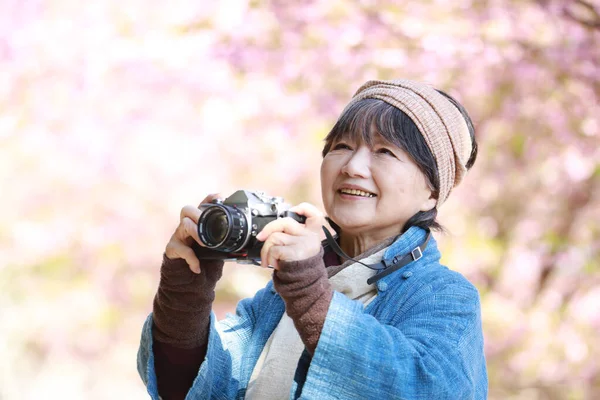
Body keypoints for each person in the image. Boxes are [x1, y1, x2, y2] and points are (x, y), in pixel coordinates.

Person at [137, 79, 488, 399]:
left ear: (431, 192)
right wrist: (185, 290)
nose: (352, 166)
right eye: (341, 146)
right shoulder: (279, 295)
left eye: (385, 152)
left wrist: (309, 291)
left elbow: (425, 389)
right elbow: (189, 389)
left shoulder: (444, 296)